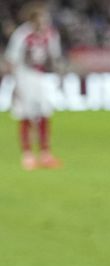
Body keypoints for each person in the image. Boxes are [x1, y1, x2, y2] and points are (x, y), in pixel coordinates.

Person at [5, 2, 62, 171]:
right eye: (41, 18)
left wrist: (58, 75)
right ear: (33, 19)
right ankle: (28, 155)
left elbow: (55, 56)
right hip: (25, 76)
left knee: (45, 111)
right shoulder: (22, 34)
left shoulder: (50, 34)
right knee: (26, 114)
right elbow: (12, 59)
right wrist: (15, 83)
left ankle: (45, 154)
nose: (45, 21)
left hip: (43, 76)